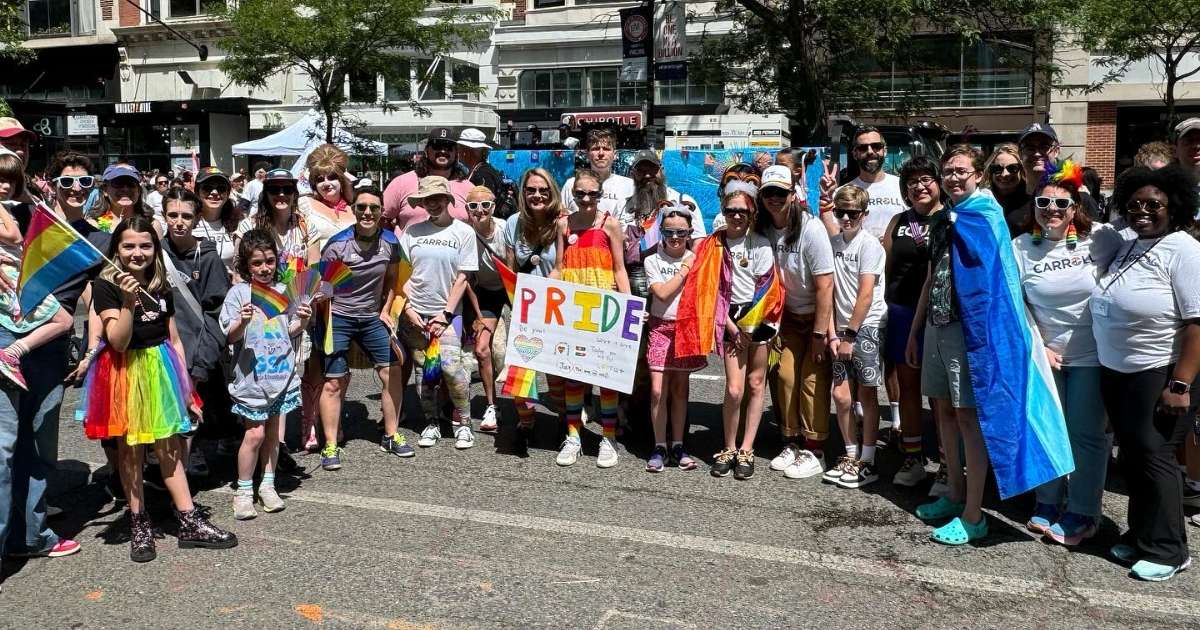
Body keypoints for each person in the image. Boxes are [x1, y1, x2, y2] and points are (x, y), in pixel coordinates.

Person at [78, 216, 237, 562]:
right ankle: (139, 522)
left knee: (170, 448)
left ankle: (188, 519)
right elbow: (118, 342)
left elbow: (174, 338)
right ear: (117, 249)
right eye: (129, 246)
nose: (138, 253)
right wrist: (127, 300)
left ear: (155, 248)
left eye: (145, 245)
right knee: (131, 451)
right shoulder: (106, 286)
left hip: (160, 368)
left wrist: (185, 388)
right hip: (126, 371)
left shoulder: (160, 283)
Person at [1092, 165, 1200, 581]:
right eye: (1135, 204)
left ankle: (1170, 550)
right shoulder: (1130, 244)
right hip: (1119, 371)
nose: (1142, 211)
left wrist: (1181, 384)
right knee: (1134, 457)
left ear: (1174, 208)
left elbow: (1197, 323)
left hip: (1160, 371)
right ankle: (1142, 535)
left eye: (1154, 204)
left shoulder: (1183, 250)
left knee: (1156, 456)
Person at [1013, 160, 1121, 547]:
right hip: (1047, 356)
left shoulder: (1102, 238)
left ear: (1075, 208)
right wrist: (1038, 345)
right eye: (1043, 203)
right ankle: (1048, 499)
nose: (1052, 210)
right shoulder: (1021, 247)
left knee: (1085, 434)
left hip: (1093, 355)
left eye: (1061, 204)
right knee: (1047, 428)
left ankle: (1084, 511)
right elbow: (1016, 304)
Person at [907, 145, 993, 544]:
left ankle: (975, 514)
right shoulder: (943, 218)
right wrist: (915, 330)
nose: (954, 177)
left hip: (965, 331)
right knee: (942, 411)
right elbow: (931, 277)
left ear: (978, 175)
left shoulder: (985, 215)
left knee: (967, 418)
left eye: (961, 171)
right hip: (936, 326)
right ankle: (955, 495)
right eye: (949, 172)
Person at [682, 187, 779, 480]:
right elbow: (707, 290)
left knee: (756, 384)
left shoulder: (760, 244)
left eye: (743, 211)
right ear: (723, 212)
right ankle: (728, 446)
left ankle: (746, 449)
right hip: (728, 319)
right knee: (734, 389)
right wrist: (731, 327)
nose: (736, 216)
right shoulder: (712, 244)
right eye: (731, 210)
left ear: (752, 214)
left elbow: (767, 287)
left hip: (759, 317)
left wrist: (749, 328)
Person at [221, 229, 311, 520]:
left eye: (269, 261)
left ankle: (268, 485)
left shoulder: (285, 290)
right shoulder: (238, 294)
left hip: (281, 376)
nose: (264, 268)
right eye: (257, 263)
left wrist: (303, 321)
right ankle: (244, 490)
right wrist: (241, 321)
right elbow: (230, 336)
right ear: (246, 265)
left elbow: (289, 331)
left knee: (273, 433)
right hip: (253, 379)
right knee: (255, 434)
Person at [318, 186, 408, 469]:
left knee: (392, 369)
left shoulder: (390, 242)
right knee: (334, 381)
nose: (368, 213)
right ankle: (330, 444)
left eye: (374, 208)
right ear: (353, 210)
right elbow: (325, 287)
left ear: (382, 212)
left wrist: (386, 310)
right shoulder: (337, 245)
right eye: (361, 207)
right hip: (340, 316)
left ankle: (391, 435)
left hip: (371, 317)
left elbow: (393, 279)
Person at [550, 170, 631, 468]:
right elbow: (559, 267)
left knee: (605, 376)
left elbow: (619, 268)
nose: (586, 199)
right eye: (580, 193)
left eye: (592, 194)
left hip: (603, 308)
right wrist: (542, 293)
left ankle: (608, 437)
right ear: (573, 194)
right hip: (573, 309)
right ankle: (573, 436)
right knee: (573, 376)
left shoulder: (610, 224)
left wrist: (629, 307)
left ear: (600, 194)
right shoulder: (563, 224)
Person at [759, 165, 835, 480]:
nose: (775, 198)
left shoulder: (811, 229)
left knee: (812, 381)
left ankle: (815, 449)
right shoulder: (763, 227)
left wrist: (820, 334)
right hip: (786, 317)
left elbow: (826, 285)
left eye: (781, 192)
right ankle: (791, 441)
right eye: (769, 192)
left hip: (816, 315)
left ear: (793, 194)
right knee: (785, 376)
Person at [398, 177, 479, 451]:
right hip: (415, 312)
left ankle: (464, 423)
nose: (432, 204)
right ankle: (431, 422)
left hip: (448, 313)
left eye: (437, 198)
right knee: (425, 372)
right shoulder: (412, 231)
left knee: (452, 369)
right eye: (426, 200)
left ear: (447, 200)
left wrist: (445, 314)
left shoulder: (463, 232)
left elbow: (463, 277)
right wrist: (408, 308)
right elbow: (402, 273)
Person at [161, 189, 235, 479]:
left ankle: (187, 472)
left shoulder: (208, 259)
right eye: (173, 215)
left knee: (194, 417)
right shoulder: (154, 253)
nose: (179, 222)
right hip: (162, 352)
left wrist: (202, 364)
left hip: (196, 354)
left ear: (197, 219)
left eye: (186, 216)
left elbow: (217, 315)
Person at [882, 157, 945, 487]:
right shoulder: (898, 221)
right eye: (911, 182)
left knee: (940, 394)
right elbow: (887, 266)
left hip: (939, 316)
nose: (919, 186)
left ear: (938, 182)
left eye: (926, 179)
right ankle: (913, 456)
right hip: (902, 312)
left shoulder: (951, 219)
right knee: (908, 387)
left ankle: (947, 462)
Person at [821, 184, 888, 488]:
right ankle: (850, 453)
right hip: (841, 328)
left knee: (867, 394)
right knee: (840, 394)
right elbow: (829, 292)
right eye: (841, 212)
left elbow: (865, 294)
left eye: (853, 213)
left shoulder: (869, 245)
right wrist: (832, 334)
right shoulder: (833, 243)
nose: (846, 218)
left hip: (866, 326)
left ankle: (868, 460)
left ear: (864, 214)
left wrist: (849, 335)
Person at [0, 150, 75, 389]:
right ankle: (10, 354)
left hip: (17, 274)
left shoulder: (10, 206)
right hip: (10, 277)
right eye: (0, 180)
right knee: (64, 320)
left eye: (11, 181)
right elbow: (14, 236)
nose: (6, 186)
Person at [504, 168, 566, 452]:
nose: (537, 195)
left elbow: (565, 267)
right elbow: (511, 270)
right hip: (525, 309)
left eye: (543, 190)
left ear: (552, 192)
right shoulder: (513, 223)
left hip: (556, 309)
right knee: (521, 373)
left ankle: (564, 421)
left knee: (556, 374)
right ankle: (526, 423)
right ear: (523, 193)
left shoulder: (562, 222)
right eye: (531, 190)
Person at [643, 206, 703, 472]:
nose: (675, 237)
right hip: (660, 327)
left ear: (690, 233)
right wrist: (684, 270)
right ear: (661, 233)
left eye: (681, 232)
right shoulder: (652, 260)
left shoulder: (698, 259)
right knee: (658, 390)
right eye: (669, 232)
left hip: (686, 328)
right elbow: (662, 294)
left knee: (680, 390)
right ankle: (659, 446)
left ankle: (678, 445)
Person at [463, 186, 508, 433]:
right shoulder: (465, 234)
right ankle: (492, 405)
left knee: (528, 347)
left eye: (485, 205)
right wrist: (478, 316)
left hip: (511, 288)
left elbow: (514, 265)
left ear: (494, 207)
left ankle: (527, 406)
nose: (479, 210)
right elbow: (467, 280)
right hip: (486, 292)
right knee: (481, 349)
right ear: (467, 209)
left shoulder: (505, 228)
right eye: (473, 206)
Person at [1009, 122, 1100, 235]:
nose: (1037, 153)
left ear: (1056, 151)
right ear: (1020, 153)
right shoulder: (1011, 202)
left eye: (1044, 147)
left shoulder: (1080, 198)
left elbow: (1096, 240)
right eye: (1029, 148)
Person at [383, 128, 473, 231]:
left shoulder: (468, 188)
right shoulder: (401, 183)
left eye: (449, 147)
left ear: (456, 153)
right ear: (426, 150)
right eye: (437, 146)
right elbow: (382, 219)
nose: (443, 151)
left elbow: (479, 224)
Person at [847, 126, 906, 240]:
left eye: (876, 146)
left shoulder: (903, 186)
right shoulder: (844, 191)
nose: (870, 151)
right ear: (854, 154)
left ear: (885, 151)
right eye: (863, 148)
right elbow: (837, 235)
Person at [562, 129, 634, 214]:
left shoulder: (629, 185)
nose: (601, 153)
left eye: (606, 149)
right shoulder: (571, 185)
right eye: (595, 149)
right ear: (587, 154)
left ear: (615, 154)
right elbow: (561, 216)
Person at [193, 166, 241, 278]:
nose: (214, 192)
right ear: (197, 191)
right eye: (207, 188)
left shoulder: (238, 224)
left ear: (228, 193)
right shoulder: (189, 222)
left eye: (221, 188)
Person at [98, 163, 162, 235]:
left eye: (131, 184)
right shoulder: (94, 226)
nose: (125, 189)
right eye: (118, 183)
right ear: (105, 190)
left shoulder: (152, 225)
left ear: (138, 190)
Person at [982, 143, 1029, 219]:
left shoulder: (1032, 200)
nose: (1004, 174)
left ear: (1022, 170)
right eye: (997, 168)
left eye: (1012, 168)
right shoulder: (982, 198)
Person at [458, 128, 504, 200]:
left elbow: (483, 204)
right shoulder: (480, 170)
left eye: (460, 148)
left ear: (467, 152)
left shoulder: (483, 175)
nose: (458, 152)